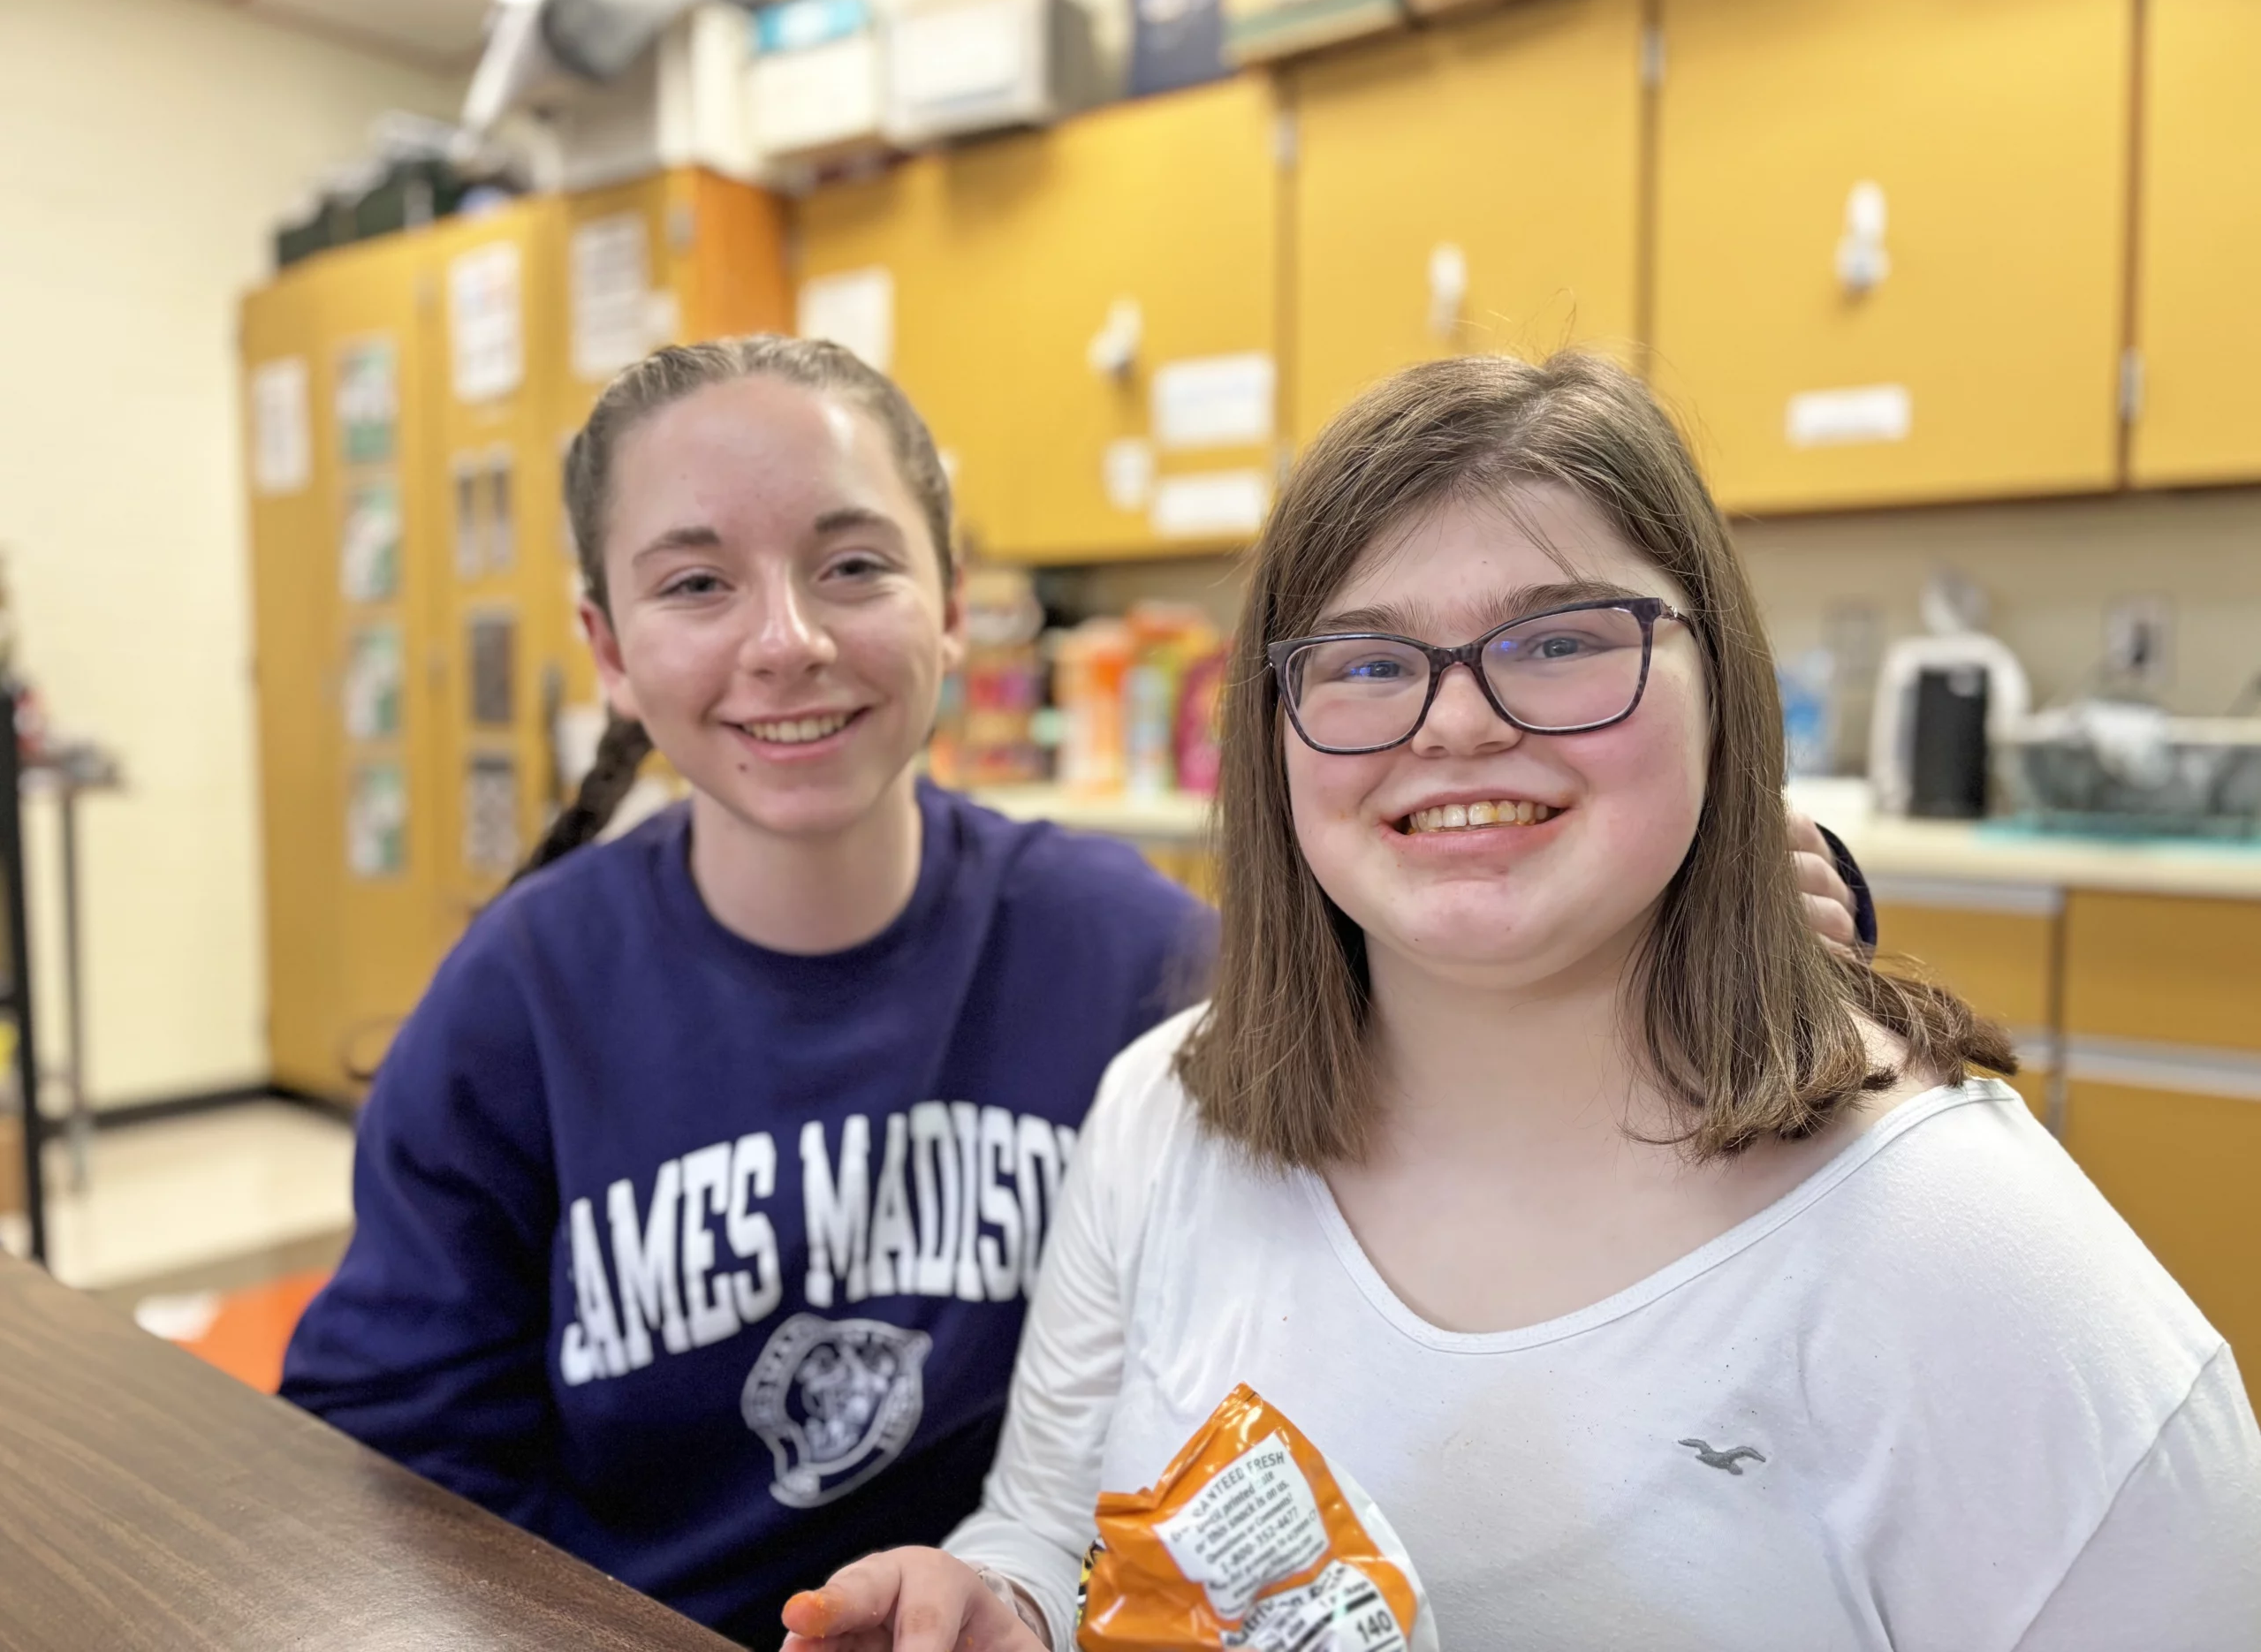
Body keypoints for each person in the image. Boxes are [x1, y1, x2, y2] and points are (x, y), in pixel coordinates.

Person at [279, 337, 1873, 1647]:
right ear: (607, 649)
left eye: (852, 564)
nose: (787, 641)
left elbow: (1443, 966)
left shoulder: (1125, 948)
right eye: (695, 586)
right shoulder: (517, 1000)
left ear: (953, 605)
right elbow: (375, 1464)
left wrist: (1712, 887)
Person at [783, 353, 2261, 1652]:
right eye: (1368, 662)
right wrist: (997, 1603)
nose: (1460, 720)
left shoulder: (1983, 1274)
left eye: (1560, 641)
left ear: (1724, 689)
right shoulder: (1167, 1116)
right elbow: (1049, 1526)